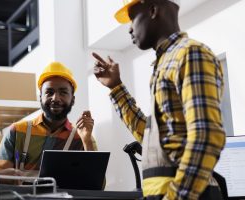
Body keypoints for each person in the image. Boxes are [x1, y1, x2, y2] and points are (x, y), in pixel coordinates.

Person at [92, 0, 226, 199]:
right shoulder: (165, 64)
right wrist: (116, 88)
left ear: (153, 10)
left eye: (132, 19)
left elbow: (206, 136)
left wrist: (176, 196)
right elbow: (151, 141)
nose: (129, 29)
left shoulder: (190, 54)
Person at [0, 62, 97, 174]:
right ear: (40, 97)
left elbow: (97, 185)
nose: (56, 98)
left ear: (73, 99)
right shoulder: (17, 131)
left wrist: (87, 142)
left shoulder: (81, 138)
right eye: (49, 92)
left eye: (63, 92)